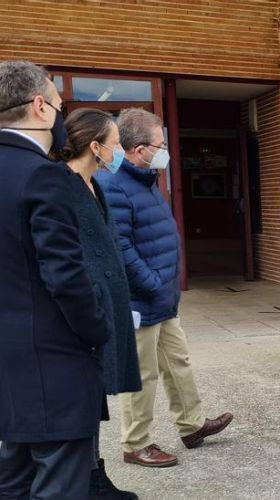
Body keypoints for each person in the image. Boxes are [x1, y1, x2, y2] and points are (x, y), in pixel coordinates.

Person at [0, 60, 114, 499]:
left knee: (14, 478)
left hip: (10, 361)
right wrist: (97, 328)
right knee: (60, 482)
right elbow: (64, 274)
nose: (62, 116)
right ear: (40, 107)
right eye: (59, 104)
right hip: (51, 360)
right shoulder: (41, 175)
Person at [96, 108, 233, 468]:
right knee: (142, 374)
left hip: (162, 298)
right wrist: (152, 282)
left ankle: (192, 425)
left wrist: (164, 285)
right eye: (160, 145)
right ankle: (136, 443)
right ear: (139, 149)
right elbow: (120, 248)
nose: (165, 152)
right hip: (141, 299)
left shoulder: (145, 180)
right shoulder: (114, 186)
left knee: (178, 362)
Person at [56, 108, 142, 499]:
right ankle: (87, 478)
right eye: (115, 144)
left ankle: (94, 473)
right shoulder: (62, 186)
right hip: (86, 310)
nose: (119, 151)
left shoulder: (95, 185)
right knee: (86, 397)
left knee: (96, 396)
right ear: (95, 146)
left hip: (108, 305)